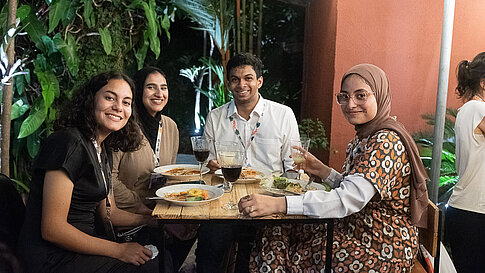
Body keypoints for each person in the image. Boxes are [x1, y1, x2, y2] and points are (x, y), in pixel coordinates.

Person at [238, 63, 429, 272]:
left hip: (380, 246)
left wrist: (279, 204)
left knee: (282, 250)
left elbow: (348, 199)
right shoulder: (366, 136)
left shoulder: (385, 141)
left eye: (361, 95)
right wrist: (323, 171)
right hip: (355, 228)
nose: (351, 104)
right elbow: (359, 190)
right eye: (344, 96)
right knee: (274, 231)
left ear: (380, 95)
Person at [17, 71, 158, 273]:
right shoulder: (68, 143)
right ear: (91, 99)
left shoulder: (101, 148)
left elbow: (110, 214)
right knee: (149, 269)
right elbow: (52, 229)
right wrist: (119, 250)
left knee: (160, 255)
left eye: (126, 102)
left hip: (83, 247)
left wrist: (153, 221)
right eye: (109, 97)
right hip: (53, 257)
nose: (119, 107)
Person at [197, 53, 300, 273]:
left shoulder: (283, 115)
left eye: (248, 78)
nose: (241, 84)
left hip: (268, 201)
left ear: (259, 81)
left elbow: (292, 166)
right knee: (208, 247)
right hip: (224, 200)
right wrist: (211, 165)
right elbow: (207, 163)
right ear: (228, 84)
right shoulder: (216, 117)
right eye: (235, 79)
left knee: (254, 257)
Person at [111, 67, 195, 272]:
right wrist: (142, 208)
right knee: (159, 261)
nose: (159, 93)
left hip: (160, 209)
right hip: (125, 214)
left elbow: (171, 174)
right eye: (151, 87)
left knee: (194, 227)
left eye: (163, 88)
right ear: (138, 90)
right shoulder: (122, 124)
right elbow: (109, 180)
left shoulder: (170, 127)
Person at [446, 52, 485, 273]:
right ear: (483, 82)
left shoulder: (467, 109)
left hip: (465, 209)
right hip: (474, 212)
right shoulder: (479, 109)